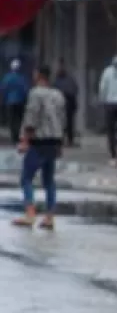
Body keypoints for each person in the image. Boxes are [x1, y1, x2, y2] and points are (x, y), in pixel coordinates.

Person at [11, 66, 66, 230]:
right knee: (49, 180)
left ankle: (30, 213)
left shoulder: (35, 93)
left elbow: (31, 118)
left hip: (39, 141)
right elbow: (63, 119)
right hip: (54, 140)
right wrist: (61, 142)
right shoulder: (58, 95)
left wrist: (25, 140)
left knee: (26, 177)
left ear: (38, 76)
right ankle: (49, 216)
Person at [2, 60, 30, 146]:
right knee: (19, 119)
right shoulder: (22, 78)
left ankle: (13, 137)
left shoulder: (7, 78)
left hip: (10, 102)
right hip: (20, 102)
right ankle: (18, 135)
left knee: (11, 120)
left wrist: (4, 99)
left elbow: (3, 89)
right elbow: (26, 90)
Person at [52, 63, 78, 149]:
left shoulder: (66, 80)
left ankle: (68, 140)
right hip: (63, 106)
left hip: (67, 105)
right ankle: (64, 139)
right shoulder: (58, 81)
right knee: (62, 124)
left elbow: (74, 90)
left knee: (67, 124)